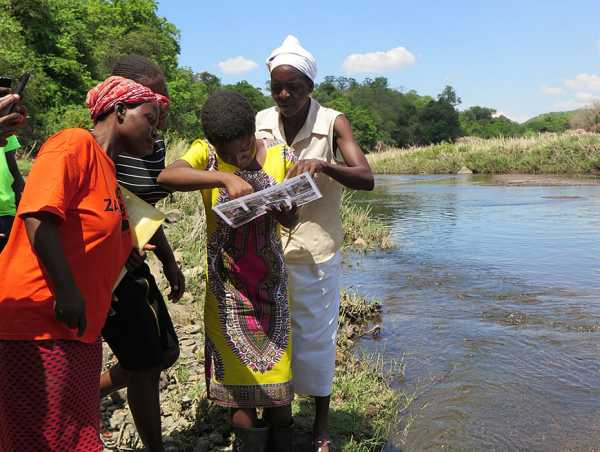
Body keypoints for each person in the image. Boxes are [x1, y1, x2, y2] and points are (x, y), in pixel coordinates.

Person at [0, 75, 167, 451]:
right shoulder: (74, 143)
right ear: (120, 111)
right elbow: (37, 216)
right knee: (42, 438)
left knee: (76, 436)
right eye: (150, 119)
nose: (155, 133)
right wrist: (67, 291)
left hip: (79, 330)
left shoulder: (109, 171)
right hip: (39, 323)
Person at [158, 91, 297, 452]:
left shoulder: (281, 156)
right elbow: (167, 176)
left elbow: (293, 216)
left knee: (280, 397)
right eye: (229, 154)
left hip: (272, 292)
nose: (239, 157)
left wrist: (287, 213)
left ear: (255, 131)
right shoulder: (204, 155)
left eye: (245, 148)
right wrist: (222, 177)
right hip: (227, 296)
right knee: (241, 398)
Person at [256, 35, 374, 452]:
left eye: (293, 87)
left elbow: (366, 177)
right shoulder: (261, 122)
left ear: (310, 86)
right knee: (274, 335)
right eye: (276, 87)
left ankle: (321, 423)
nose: (284, 95)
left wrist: (324, 164)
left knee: (317, 337)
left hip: (316, 250)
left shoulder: (332, 122)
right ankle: (277, 412)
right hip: (268, 248)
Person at [99, 55, 184, 452]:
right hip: (111, 270)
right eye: (155, 103)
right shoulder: (103, 145)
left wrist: (167, 260)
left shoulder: (150, 143)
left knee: (164, 352)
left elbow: (143, 206)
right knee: (147, 364)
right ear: (124, 105)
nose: (162, 110)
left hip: (135, 259)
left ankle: (80, 396)